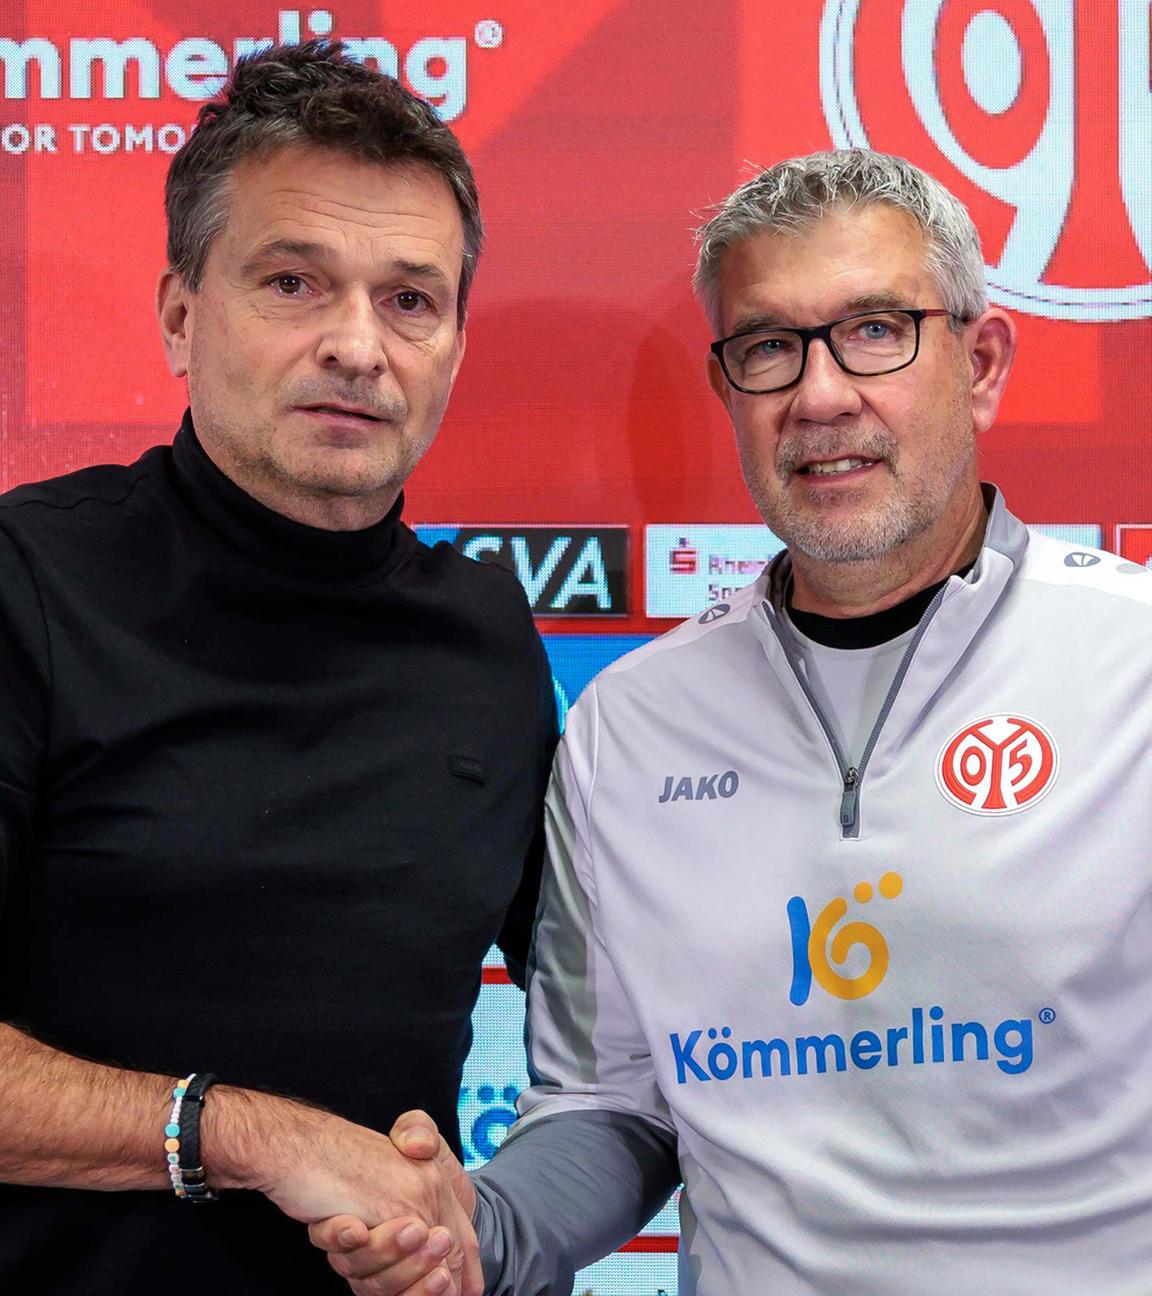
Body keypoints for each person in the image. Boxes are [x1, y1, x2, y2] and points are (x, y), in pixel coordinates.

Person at [315, 149, 1152, 1294]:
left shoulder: (1132, 660)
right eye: (769, 347)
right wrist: (478, 1229)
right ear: (730, 391)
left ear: (984, 363)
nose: (819, 396)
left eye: (874, 330)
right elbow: (611, 1107)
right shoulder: (629, 727)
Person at [0, 40, 555, 1296]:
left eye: (411, 299)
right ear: (181, 317)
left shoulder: (489, 638)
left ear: (457, 346)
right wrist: (252, 1136)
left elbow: (607, 1052)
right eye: (294, 283)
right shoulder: (28, 584)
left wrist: (477, 1228)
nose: (358, 345)